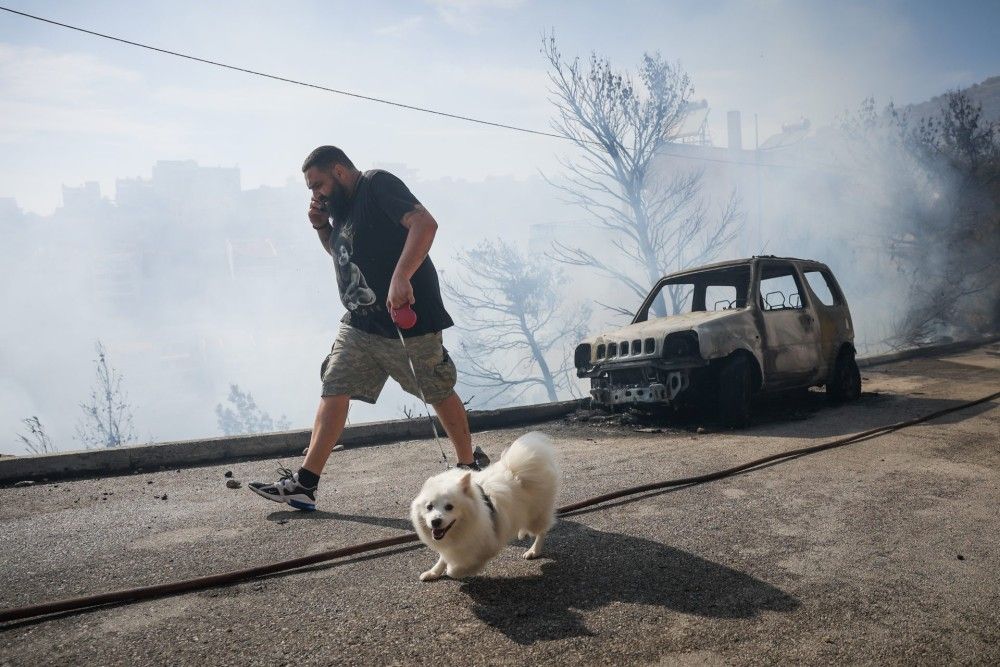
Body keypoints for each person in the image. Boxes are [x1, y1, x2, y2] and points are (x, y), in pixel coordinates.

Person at [249, 146, 486, 511]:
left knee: (437, 390)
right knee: (335, 386)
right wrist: (321, 228)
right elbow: (342, 254)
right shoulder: (339, 207)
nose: (316, 194)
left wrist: (401, 276)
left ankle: (469, 467)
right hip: (360, 324)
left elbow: (425, 224)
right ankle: (305, 483)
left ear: (340, 171)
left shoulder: (377, 184)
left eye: (318, 184)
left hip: (406, 320)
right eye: (311, 189)